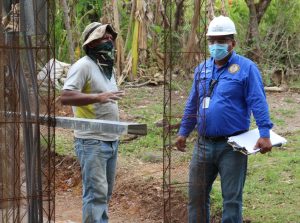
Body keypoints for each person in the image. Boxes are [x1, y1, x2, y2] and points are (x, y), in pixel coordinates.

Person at [176, 15, 273, 223]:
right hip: (203, 144)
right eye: (212, 40)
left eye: (221, 40)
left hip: (233, 146)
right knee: (197, 197)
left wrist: (265, 133)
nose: (215, 45)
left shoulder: (246, 68)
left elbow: (258, 101)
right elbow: (193, 103)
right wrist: (184, 132)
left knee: (231, 200)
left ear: (232, 43)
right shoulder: (202, 68)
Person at [61, 22, 125, 223]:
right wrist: (98, 98)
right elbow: (66, 96)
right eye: (103, 37)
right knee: (95, 194)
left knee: (104, 194)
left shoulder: (107, 68)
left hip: (110, 140)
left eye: (110, 37)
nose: (109, 40)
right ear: (91, 43)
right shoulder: (83, 66)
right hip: (91, 141)